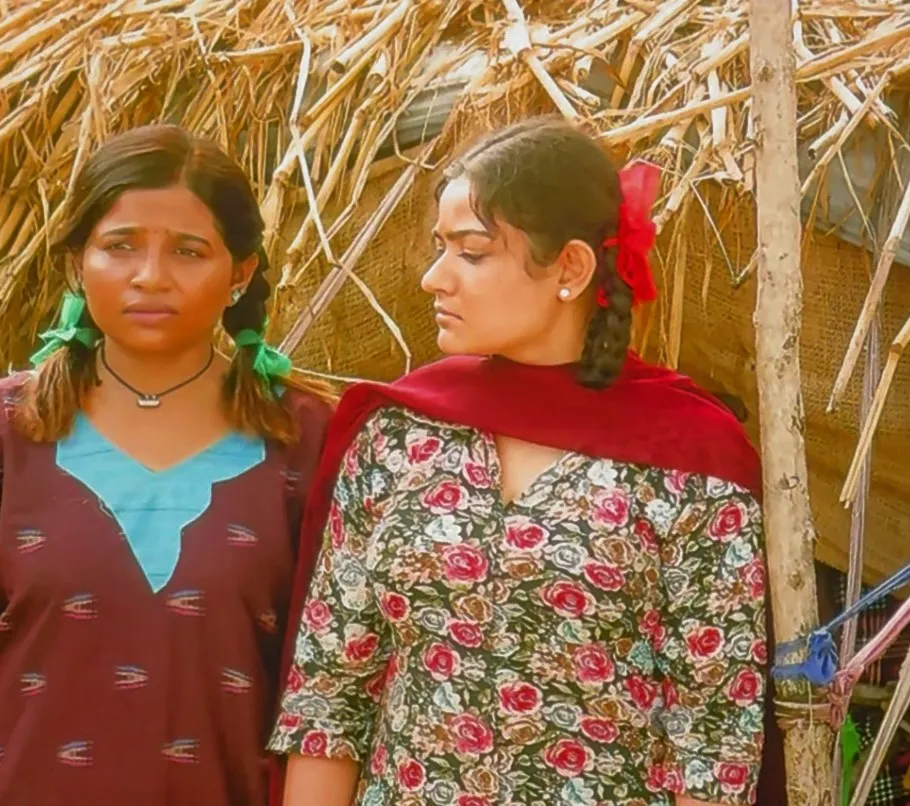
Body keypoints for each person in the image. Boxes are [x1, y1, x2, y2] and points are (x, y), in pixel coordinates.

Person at [269, 117, 782, 806]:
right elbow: (329, 699)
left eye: (472, 253)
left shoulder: (690, 466)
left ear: (570, 267)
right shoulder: (399, 434)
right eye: (440, 249)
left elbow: (714, 742)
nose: (433, 278)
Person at [0, 124, 333, 805]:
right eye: (120, 246)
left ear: (240, 273)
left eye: (188, 251)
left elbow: (333, 704)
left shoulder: (305, 438)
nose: (150, 276)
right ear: (76, 262)